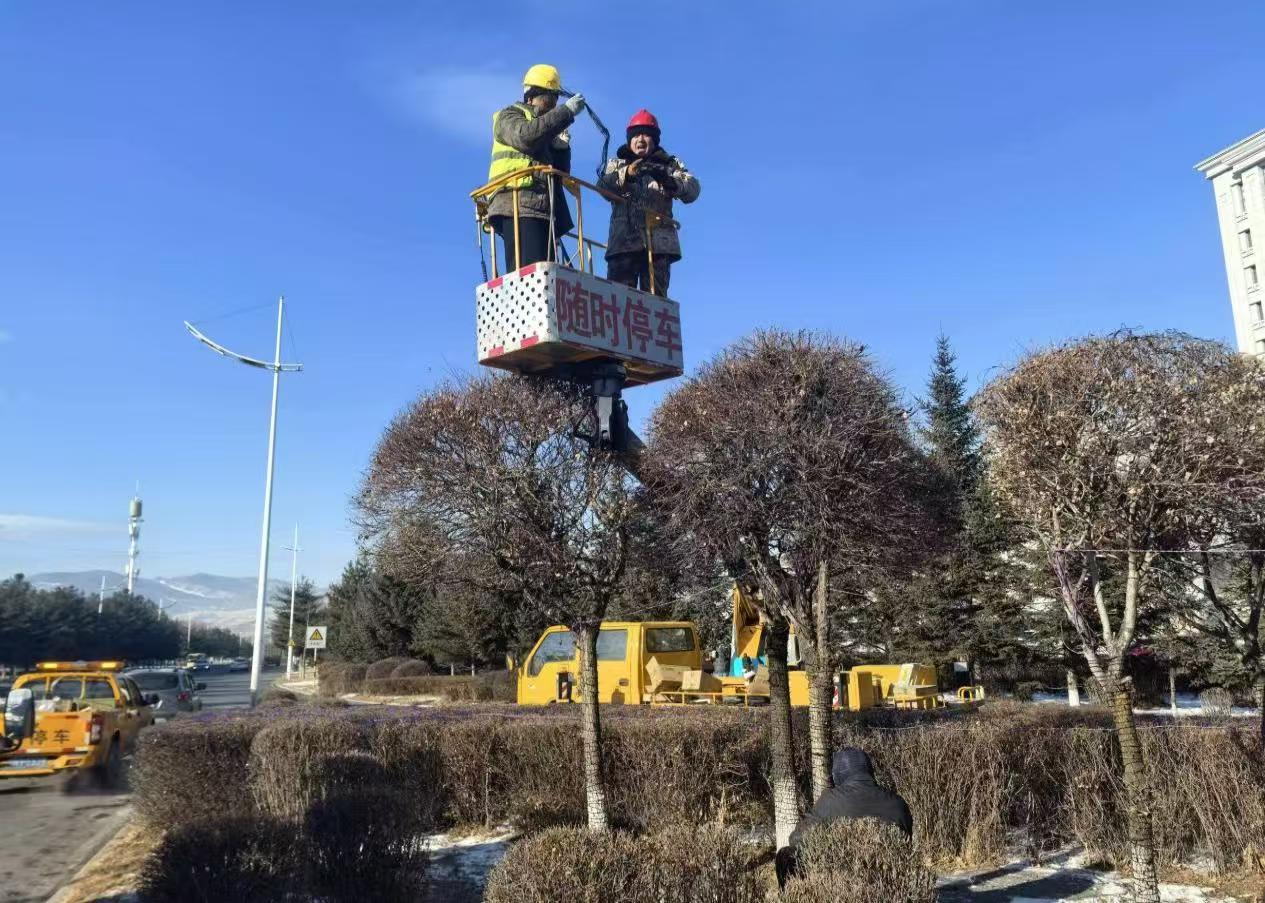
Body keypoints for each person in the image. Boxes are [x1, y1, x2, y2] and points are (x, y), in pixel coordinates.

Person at [487, 64, 587, 272]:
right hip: (517, 204)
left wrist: (561, 148)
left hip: (544, 209)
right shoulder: (509, 116)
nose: (553, 105)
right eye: (550, 99)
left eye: (556, 101)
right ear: (532, 96)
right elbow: (525, 137)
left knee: (546, 275)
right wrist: (565, 112)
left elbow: (560, 173)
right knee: (529, 274)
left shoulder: (544, 129)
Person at [775, 747, 914, 888]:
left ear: (837, 775)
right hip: (890, 883)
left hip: (842, 885)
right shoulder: (898, 803)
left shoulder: (830, 800)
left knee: (785, 855)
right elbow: (908, 844)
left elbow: (796, 839)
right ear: (870, 771)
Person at [598, 109, 700, 297]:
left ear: (655, 139)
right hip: (623, 244)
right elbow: (603, 187)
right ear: (629, 140)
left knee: (656, 301)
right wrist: (627, 173)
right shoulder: (617, 164)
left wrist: (670, 182)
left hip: (659, 246)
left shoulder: (670, 165)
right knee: (619, 299)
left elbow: (693, 189)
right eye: (636, 135)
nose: (640, 139)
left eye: (646, 134)